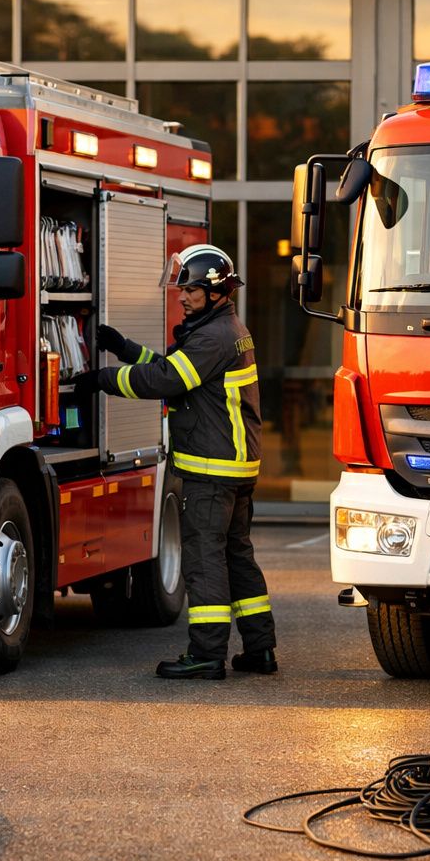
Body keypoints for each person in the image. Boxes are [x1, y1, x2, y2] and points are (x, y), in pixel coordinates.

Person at [70, 244, 277, 680]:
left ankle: (206, 653)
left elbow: (166, 380)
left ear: (216, 292)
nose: (182, 297)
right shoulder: (223, 329)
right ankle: (260, 649)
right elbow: (172, 366)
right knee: (237, 556)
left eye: (191, 290)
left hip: (212, 469)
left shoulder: (213, 337)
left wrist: (104, 379)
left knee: (203, 560)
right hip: (233, 467)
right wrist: (125, 349)